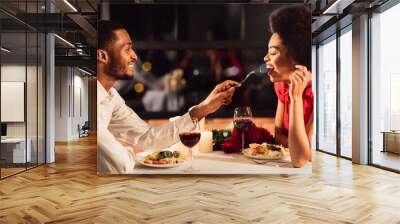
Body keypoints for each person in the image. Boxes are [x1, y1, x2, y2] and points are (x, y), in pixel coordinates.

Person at [97, 20, 240, 174]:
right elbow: (120, 165)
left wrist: (204, 108)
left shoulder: (111, 96)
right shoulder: (88, 103)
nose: (135, 56)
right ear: (102, 56)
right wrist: (130, 153)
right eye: (127, 49)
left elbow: (148, 137)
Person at [263, 5, 314, 168]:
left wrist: (296, 98)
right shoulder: (283, 86)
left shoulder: (321, 93)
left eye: (273, 52)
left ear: (296, 56)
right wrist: (299, 143)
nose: (265, 58)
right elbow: (278, 137)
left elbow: (300, 158)